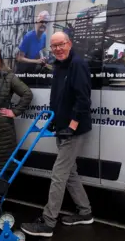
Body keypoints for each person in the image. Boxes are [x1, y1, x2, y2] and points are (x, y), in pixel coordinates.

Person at [20, 32, 93, 237]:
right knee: (70, 173)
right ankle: (85, 212)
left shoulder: (77, 64)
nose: (58, 49)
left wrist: (72, 125)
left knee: (59, 174)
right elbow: (58, 97)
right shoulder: (59, 66)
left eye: (61, 44)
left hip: (73, 130)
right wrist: (54, 121)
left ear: (69, 44)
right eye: (54, 46)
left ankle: (48, 222)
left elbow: (83, 99)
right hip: (61, 125)